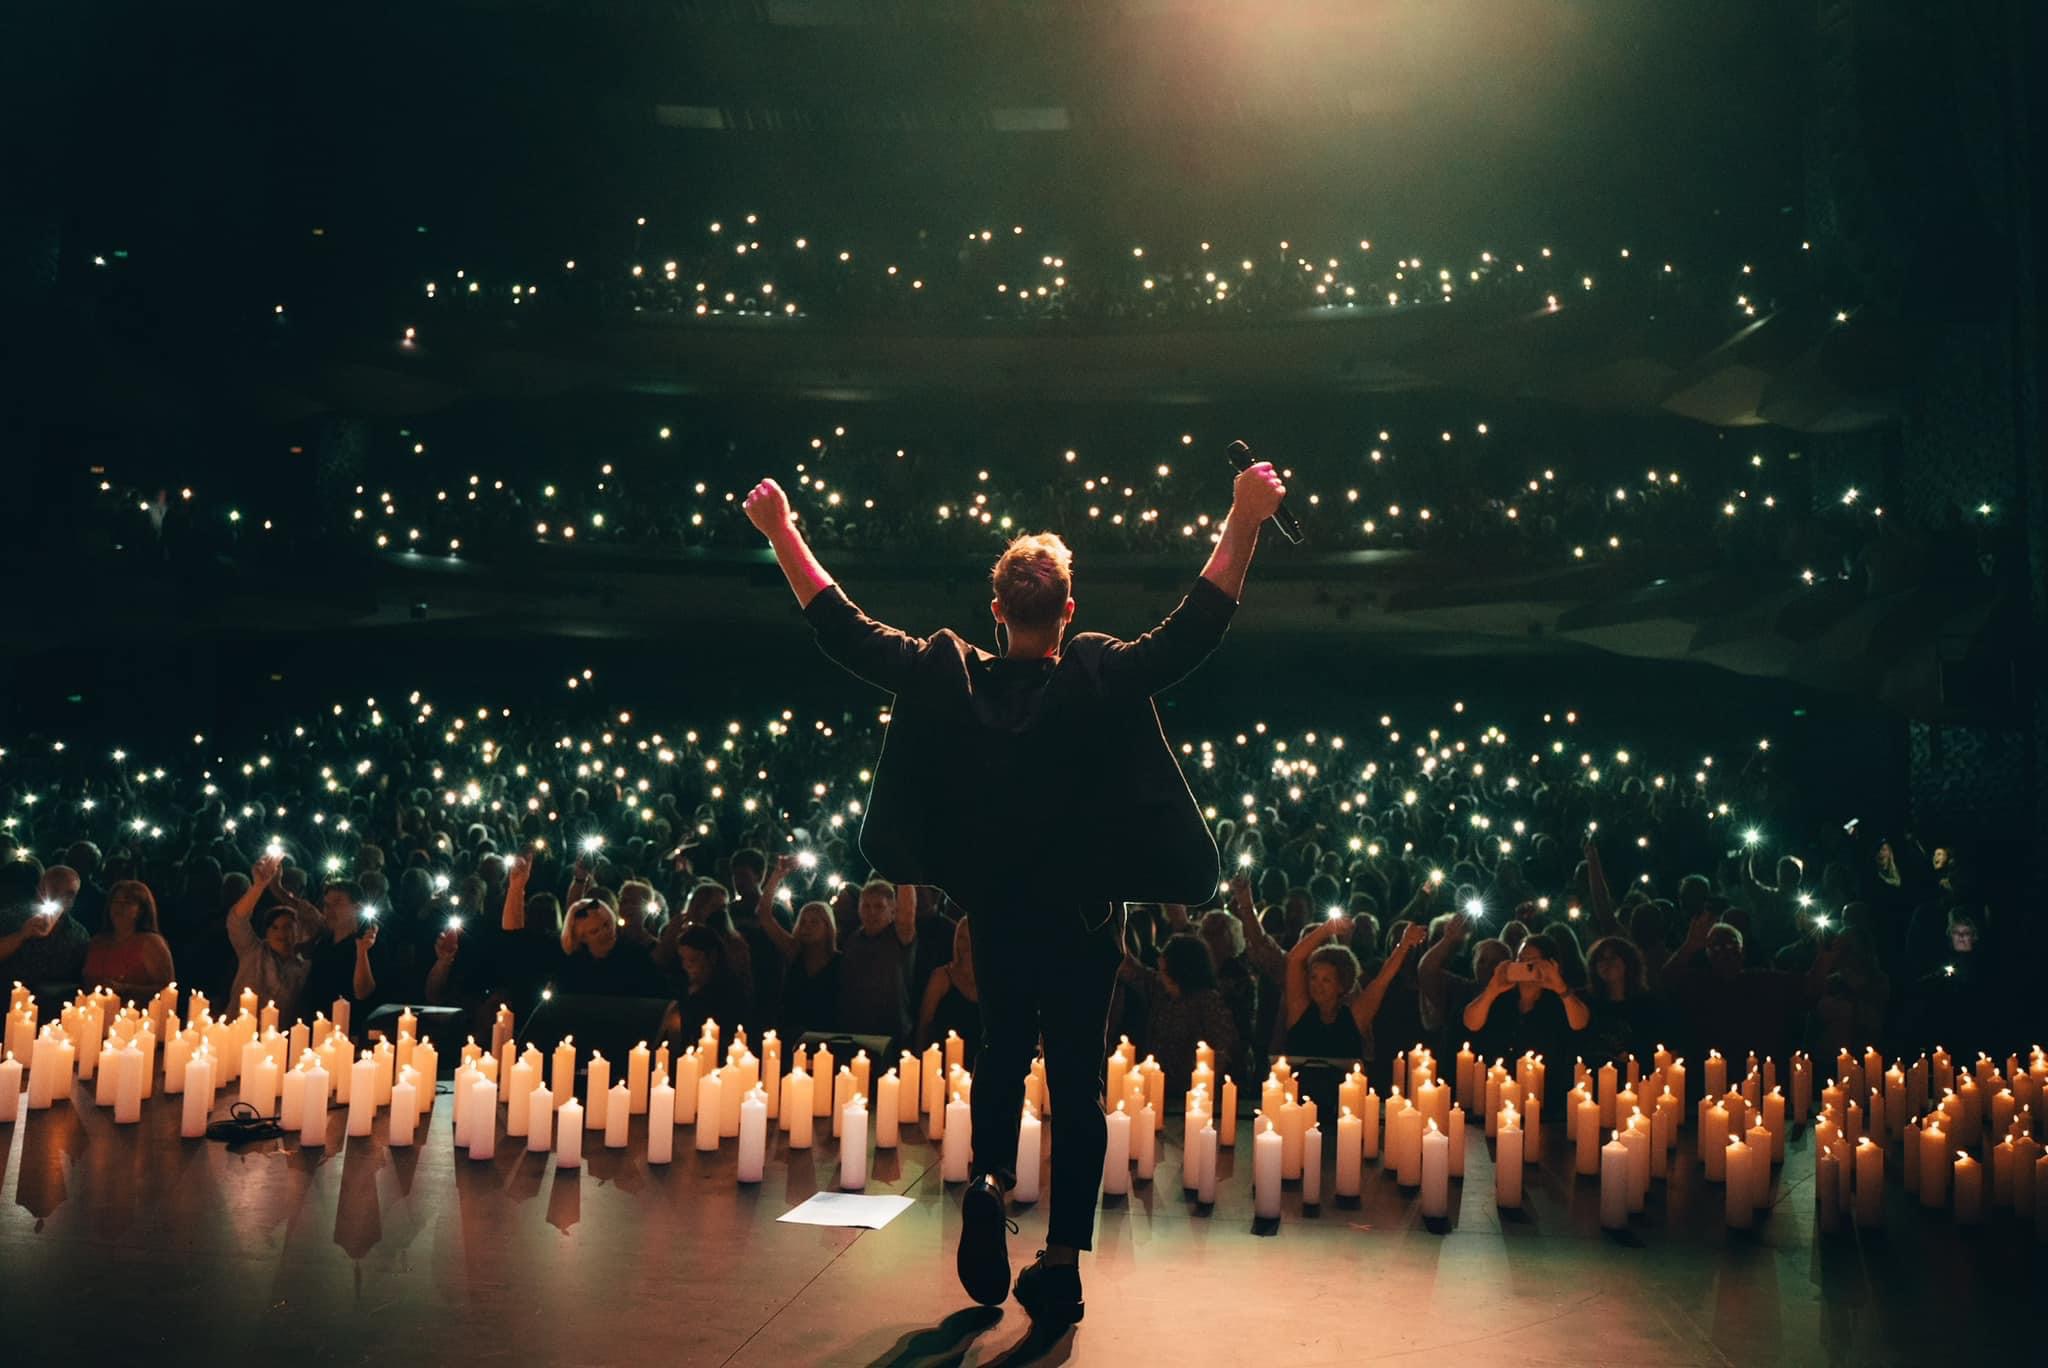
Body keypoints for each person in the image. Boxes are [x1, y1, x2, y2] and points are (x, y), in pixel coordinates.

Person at [747, 453, 1284, 1325]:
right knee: (1076, 1080)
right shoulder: (1096, 672)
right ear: (1067, 612)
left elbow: (844, 628)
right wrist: (1245, 517)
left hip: (996, 914)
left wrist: (781, 532)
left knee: (1001, 1051)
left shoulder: (947, 674)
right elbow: (1194, 628)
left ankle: (992, 1181)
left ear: (996, 611)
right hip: (1082, 922)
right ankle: (1061, 1263)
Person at [1461, 937, 1591, 1114]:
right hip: (1499, 1093)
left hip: (1546, 1097)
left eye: (1532, 962)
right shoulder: (1501, 997)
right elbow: (1471, 1023)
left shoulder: (1559, 1001)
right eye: (1520, 960)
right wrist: (1492, 990)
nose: (1525, 967)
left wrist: (1559, 986)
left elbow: (1580, 1023)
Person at [1280, 916, 1424, 1068]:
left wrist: (1404, 945)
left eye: (1326, 980)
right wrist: (1327, 929)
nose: (1317, 985)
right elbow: (1294, 959)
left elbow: (1381, 981)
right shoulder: (1299, 1010)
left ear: (1341, 986)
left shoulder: (1355, 1017)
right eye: (1313, 978)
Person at [1116, 932, 1240, 1098]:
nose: (1161, 974)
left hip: (1193, 1095)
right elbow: (1129, 968)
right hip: (1157, 1091)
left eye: (1165, 971)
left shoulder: (1209, 1003)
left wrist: (1199, 1091)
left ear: (1180, 970)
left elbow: (1221, 1051)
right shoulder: (1160, 989)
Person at [751, 853, 841, 1040]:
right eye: (803, 922)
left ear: (828, 927)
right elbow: (764, 914)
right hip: (791, 1032)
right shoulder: (794, 951)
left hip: (826, 1034)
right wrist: (777, 875)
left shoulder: (840, 961)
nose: (807, 927)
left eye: (814, 922)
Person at [225, 854, 313, 1023]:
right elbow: (236, 920)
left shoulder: (304, 968)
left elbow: (317, 924)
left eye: (288, 927)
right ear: (266, 933)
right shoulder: (253, 952)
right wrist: (259, 886)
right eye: (275, 927)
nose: (282, 933)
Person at [299, 878, 381, 1030]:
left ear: (357, 908)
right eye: (326, 905)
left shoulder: (369, 944)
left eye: (337, 903)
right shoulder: (323, 944)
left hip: (350, 1030)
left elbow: (363, 992)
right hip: (318, 1028)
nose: (329, 910)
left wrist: (362, 952)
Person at [0, 864, 91, 992]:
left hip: (52, 1000)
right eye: (54, 889)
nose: (60, 898)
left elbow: (81, 980)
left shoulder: (79, 935)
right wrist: (21, 935)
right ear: (40, 889)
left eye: (69, 894)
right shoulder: (11, 917)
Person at [81, 879, 176, 998]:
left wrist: (124, 989)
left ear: (140, 910)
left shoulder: (151, 943)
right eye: (115, 901)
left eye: (127, 902)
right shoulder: (98, 941)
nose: (119, 907)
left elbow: (167, 989)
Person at [558, 894, 666, 997]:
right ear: (581, 938)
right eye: (594, 931)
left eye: (606, 925)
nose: (604, 933)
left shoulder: (635, 956)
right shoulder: (573, 968)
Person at [917, 914, 983, 1069]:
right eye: (961, 938)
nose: (966, 944)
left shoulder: (992, 983)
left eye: (971, 938)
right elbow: (924, 1025)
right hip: (944, 1067)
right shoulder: (941, 977)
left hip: (982, 1067)